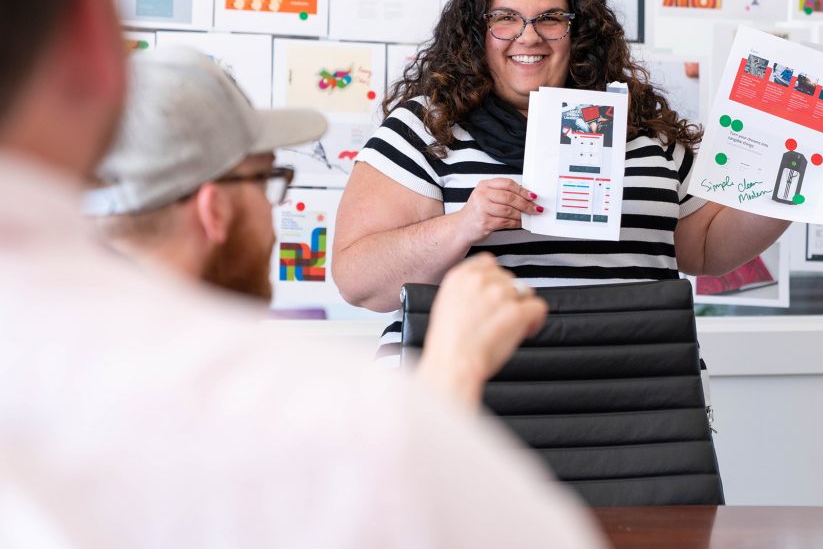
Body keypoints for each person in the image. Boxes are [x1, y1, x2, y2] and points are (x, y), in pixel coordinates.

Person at [0, 0, 604, 546]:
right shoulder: (310, 419)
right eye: (269, 178)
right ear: (213, 209)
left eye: (551, 17)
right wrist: (448, 376)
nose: (531, 34)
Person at [332, 0, 823, 358]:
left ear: (579, 30)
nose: (529, 36)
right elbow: (359, 282)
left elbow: (706, 249)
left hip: (633, 385)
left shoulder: (640, 126)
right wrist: (464, 224)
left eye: (550, 18)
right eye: (506, 18)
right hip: (470, 390)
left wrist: (801, 183)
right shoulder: (427, 126)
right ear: (478, 30)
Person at [85, 46, 543, 408]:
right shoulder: (244, 402)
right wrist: (455, 367)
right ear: (215, 211)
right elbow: (387, 512)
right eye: (268, 179)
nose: (274, 215)